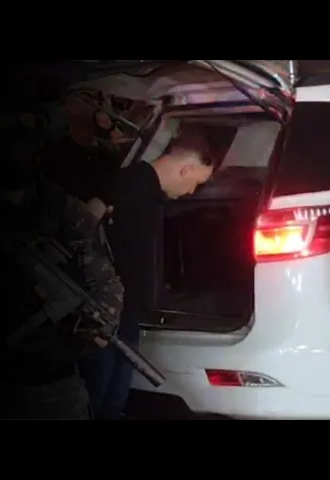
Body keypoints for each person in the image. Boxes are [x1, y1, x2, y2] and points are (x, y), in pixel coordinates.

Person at [0, 112, 124, 419]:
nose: (14, 152)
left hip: (51, 381)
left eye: (22, 141)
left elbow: (105, 280)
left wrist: (102, 320)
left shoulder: (65, 210)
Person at [78, 129, 214, 420]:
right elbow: (82, 231)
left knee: (115, 398)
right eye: (196, 183)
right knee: (95, 396)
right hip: (106, 309)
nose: (192, 192)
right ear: (186, 169)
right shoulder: (127, 182)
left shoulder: (154, 195)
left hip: (128, 311)